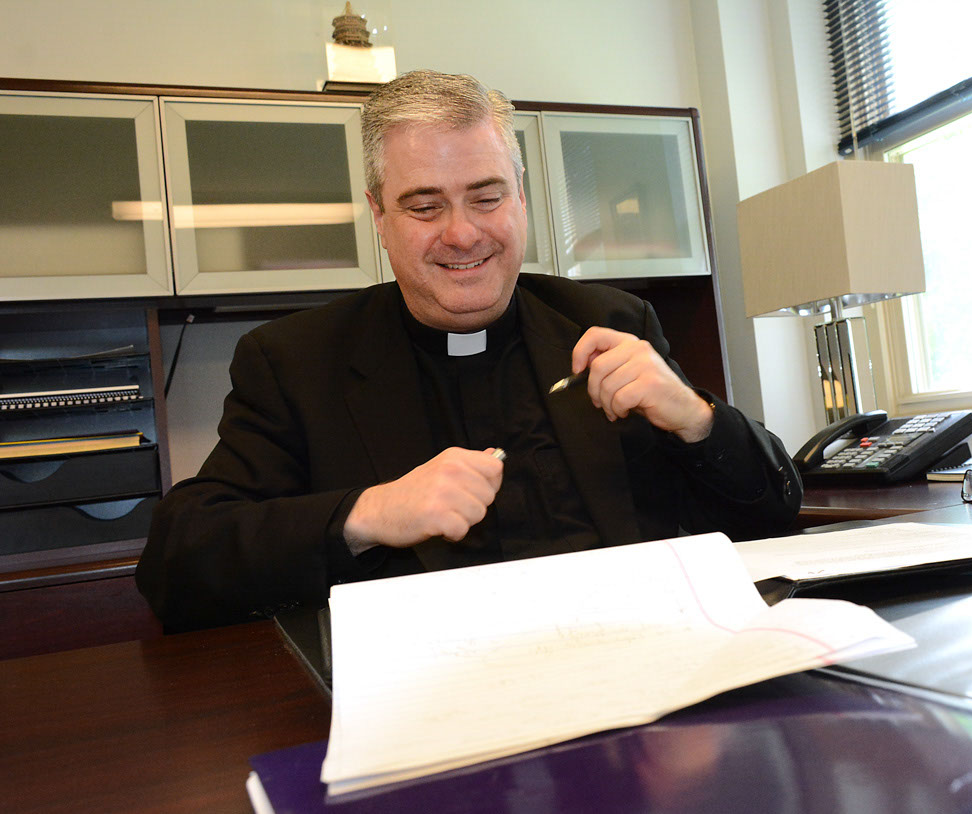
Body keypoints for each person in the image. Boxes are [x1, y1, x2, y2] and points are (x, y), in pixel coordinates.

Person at [135, 70, 802, 631]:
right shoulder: (294, 363)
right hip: (429, 705)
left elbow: (774, 508)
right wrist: (368, 514)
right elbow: (176, 566)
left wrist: (696, 419)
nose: (463, 234)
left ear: (521, 199)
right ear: (380, 218)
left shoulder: (612, 322)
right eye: (424, 207)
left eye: (486, 198)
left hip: (642, 665)